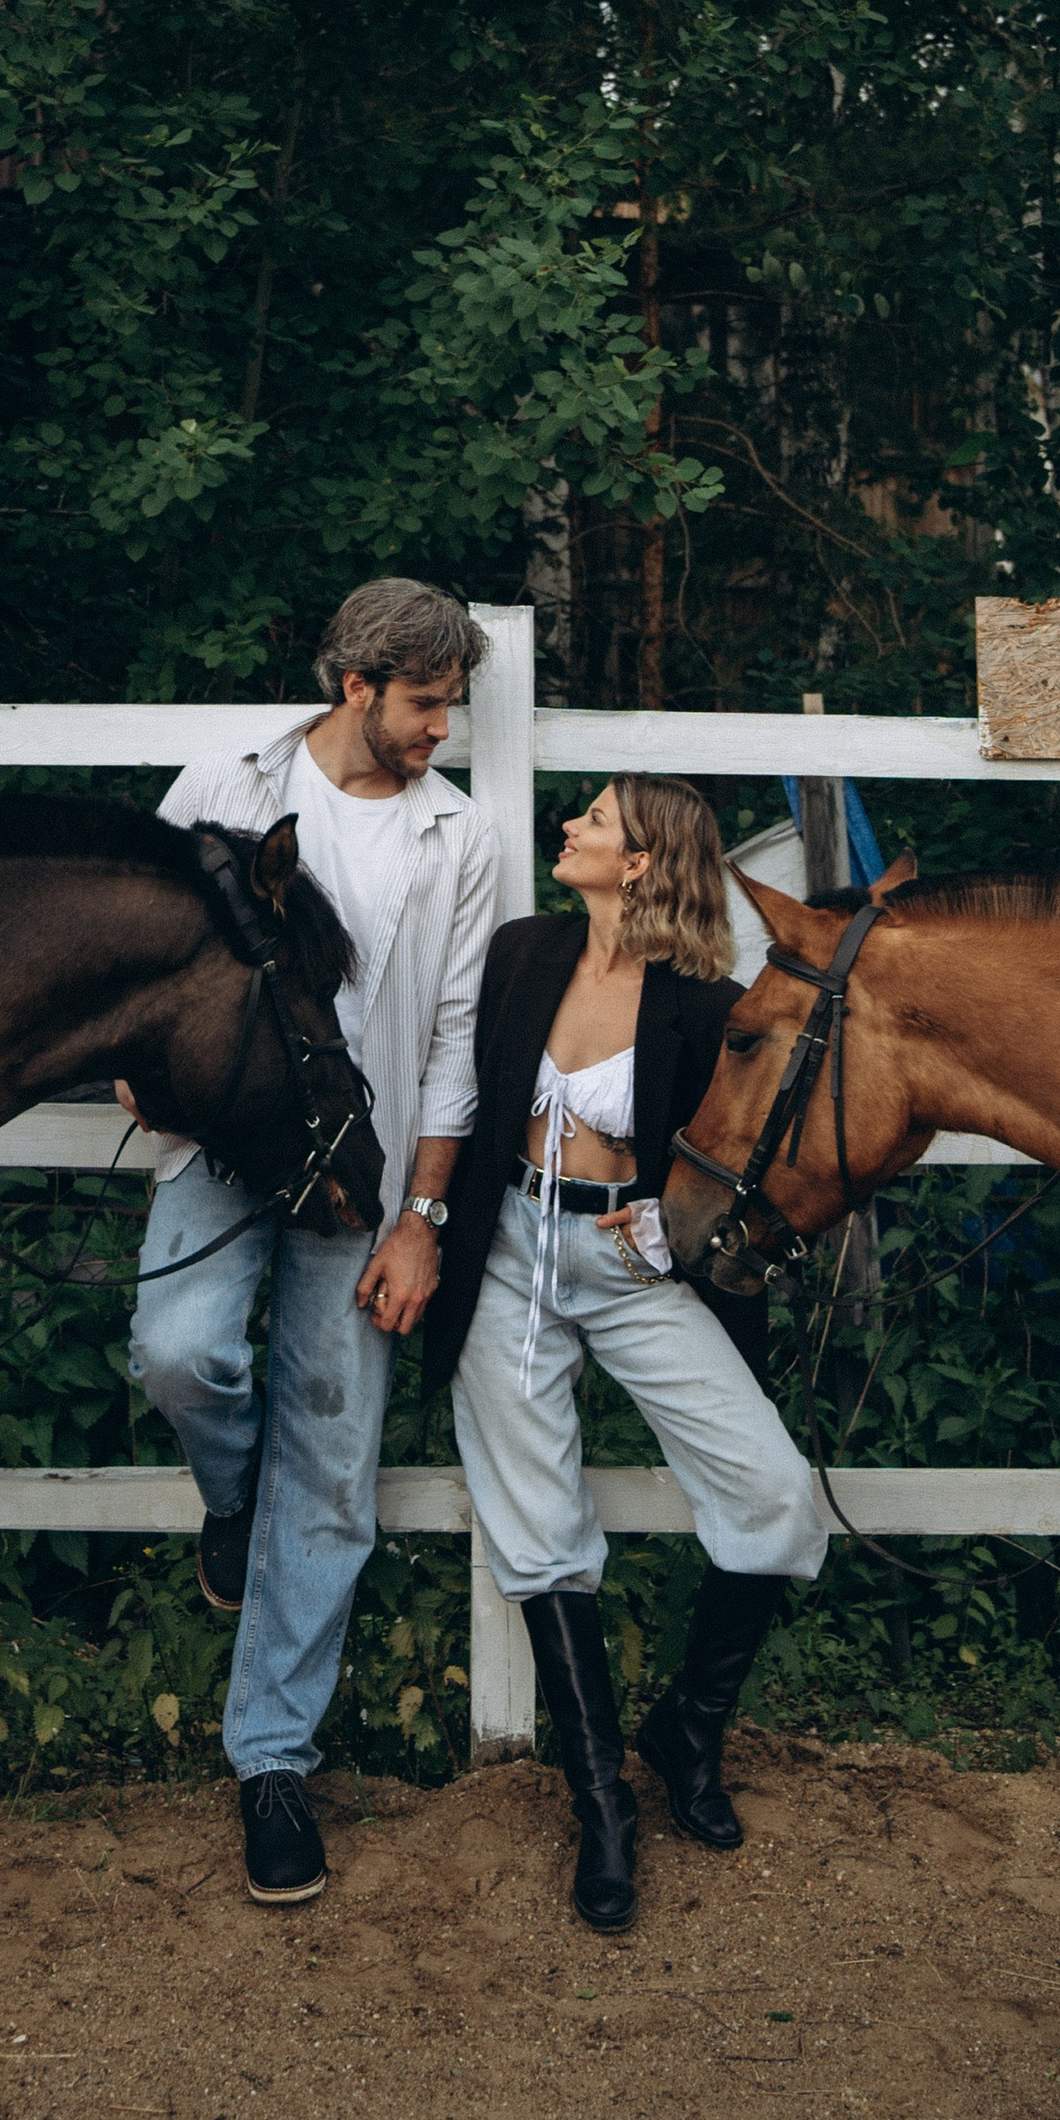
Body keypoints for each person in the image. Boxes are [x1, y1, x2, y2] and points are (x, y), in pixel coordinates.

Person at [126, 577, 503, 1907]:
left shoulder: (460, 836)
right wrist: (139, 1062)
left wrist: (424, 1221)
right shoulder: (225, 782)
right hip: (227, 1142)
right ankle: (235, 1502)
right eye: (425, 703)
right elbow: (141, 941)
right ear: (356, 685)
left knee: (334, 1470)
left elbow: (456, 1041)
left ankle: (273, 1761)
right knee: (177, 1352)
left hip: (369, 1174)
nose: (441, 729)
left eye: (453, 705)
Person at [424, 776, 827, 1932]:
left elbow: (763, 1155)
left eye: (594, 820)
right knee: (536, 1526)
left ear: (642, 861)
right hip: (506, 1252)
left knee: (774, 1490)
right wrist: (425, 1217)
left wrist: (667, 1223)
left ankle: (688, 1728)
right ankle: (601, 1804)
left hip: (632, 1268)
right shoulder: (523, 952)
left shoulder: (707, 1003)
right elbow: (459, 1085)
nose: (570, 827)